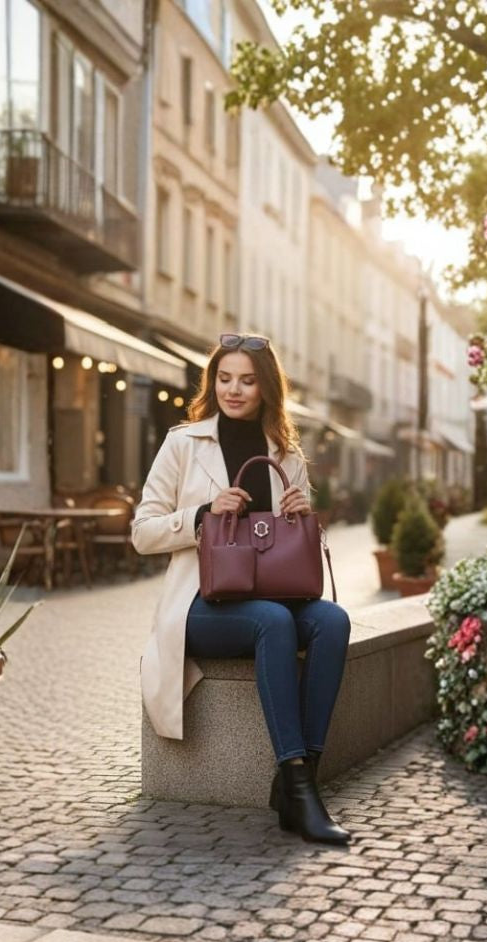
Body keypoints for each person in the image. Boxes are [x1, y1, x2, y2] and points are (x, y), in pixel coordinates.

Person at [131, 333, 351, 845]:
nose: (234, 390)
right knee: (271, 622)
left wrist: (301, 515)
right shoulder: (183, 443)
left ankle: (297, 783)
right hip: (201, 606)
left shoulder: (285, 453)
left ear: (265, 388)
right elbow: (142, 531)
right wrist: (204, 515)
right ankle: (301, 791)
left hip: (273, 594)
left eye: (247, 381)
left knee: (333, 621)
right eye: (224, 379)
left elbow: (288, 543)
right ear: (213, 383)